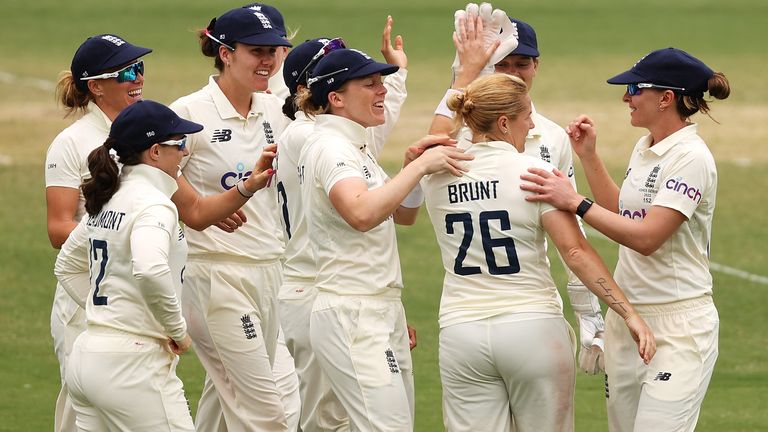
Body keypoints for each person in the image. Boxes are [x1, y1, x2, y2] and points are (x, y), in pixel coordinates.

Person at [423, 73, 656, 432]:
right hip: (531, 329)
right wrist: (628, 314)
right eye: (526, 116)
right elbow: (575, 251)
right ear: (504, 123)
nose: (532, 125)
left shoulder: (435, 175)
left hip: (461, 334)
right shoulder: (535, 173)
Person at [520, 47, 729, 432]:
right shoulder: (647, 146)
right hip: (628, 320)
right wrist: (589, 157)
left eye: (634, 88)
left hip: (679, 325)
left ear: (666, 98)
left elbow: (648, 237)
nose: (625, 97)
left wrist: (575, 202)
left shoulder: (691, 158)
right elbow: (624, 214)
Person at [294, 47, 472, 431]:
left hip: (376, 305)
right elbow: (361, 214)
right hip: (352, 310)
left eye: (381, 82)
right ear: (336, 98)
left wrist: (411, 168)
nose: (382, 91)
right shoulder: (331, 147)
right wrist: (421, 166)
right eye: (369, 83)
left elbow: (402, 215)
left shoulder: (353, 145)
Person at [430, 7, 608, 375]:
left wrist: (589, 313)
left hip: (531, 302)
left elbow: (571, 233)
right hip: (470, 306)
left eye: (522, 64)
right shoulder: (462, 129)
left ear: (537, 65)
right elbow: (429, 146)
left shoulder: (552, 136)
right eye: (502, 64)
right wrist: (461, 74)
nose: (513, 74)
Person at [276, 17, 409, 431]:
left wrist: (398, 75)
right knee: (326, 422)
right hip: (319, 288)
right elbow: (362, 210)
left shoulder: (337, 137)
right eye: (358, 76)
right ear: (316, 91)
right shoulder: (312, 138)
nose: (377, 88)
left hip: (346, 289)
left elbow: (373, 121)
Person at [169, 5, 294, 430]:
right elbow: (147, 171)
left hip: (270, 271)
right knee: (269, 413)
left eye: (275, 50)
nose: (269, 61)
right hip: (215, 278)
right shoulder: (188, 113)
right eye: (257, 51)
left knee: (225, 407)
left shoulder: (279, 112)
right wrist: (199, 209)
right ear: (225, 52)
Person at [59, 100, 204, 431]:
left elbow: (67, 265)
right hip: (133, 365)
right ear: (154, 151)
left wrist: (109, 315)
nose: (183, 152)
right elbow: (150, 269)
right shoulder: (154, 205)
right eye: (178, 143)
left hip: (88, 356)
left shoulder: (109, 198)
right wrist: (176, 331)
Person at [45, 33, 152, 432]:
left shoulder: (146, 133)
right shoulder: (70, 143)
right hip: (83, 297)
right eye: (126, 70)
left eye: (140, 67)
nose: (137, 77)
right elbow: (58, 228)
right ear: (96, 86)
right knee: (82, 413)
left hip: (135, 293)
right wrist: (116, 239)